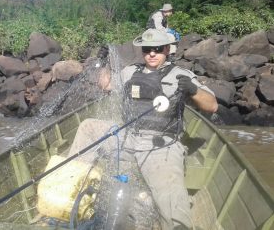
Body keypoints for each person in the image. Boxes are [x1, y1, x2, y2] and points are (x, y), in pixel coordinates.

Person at [68, 29, 218, 229]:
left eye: (157, 49)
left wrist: (194, 90)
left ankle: (177, 224)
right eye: (147, 49)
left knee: (171, 197)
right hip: (128, 136)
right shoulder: (131, 71)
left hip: (162, 144)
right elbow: (106, 85)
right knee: (88, 127)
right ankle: (70, 187)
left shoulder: (181, 75)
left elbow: (212, 105)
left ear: (167, 49)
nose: (152, 53)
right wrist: (102, 62)